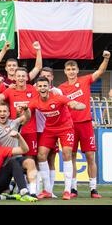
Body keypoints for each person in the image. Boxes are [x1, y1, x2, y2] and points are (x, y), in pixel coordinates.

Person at [58, 51, 110, 199]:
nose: (71, 71)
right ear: (65, 71)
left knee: (90, 156)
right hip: (69, 126)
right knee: (72, 156)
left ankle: (93, 189)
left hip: (86, 124)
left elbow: (100, 71)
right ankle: (73, 188)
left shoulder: (85, 80)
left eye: (73, 69)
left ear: (77, 70)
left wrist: (106, 58)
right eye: (68, 69)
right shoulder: (61, 88)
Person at [28, 77, 86, 200]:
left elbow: (72, 103)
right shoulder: (34, 101)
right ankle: (47, 190)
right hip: (49, 130)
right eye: (40, 86)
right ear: (37, 88)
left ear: (49, 87)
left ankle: (67, 190)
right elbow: (26, 113)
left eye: (45, 86)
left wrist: (78, 105)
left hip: (66, 128)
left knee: (66, 153)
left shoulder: (58, 97)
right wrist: (20, 113)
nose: (43, 88)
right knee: (41, 155)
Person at [0, 102, 38, 197]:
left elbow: (27, 117)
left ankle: (33, 192)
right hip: (2, 164)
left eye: (5, 111)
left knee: (30, 162)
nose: (2, 113)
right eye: (0, 111)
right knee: (4, 192)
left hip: (17, 159)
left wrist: (26, 109)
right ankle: (11, 186)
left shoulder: (14, 123)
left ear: (9, 113)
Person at [0, 68, 39, 158]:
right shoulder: (10, 90)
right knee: (14, 158)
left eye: (23, 76)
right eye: (18, 76)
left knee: (30, 158)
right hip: (13, 130)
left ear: (27, 78)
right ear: (14, 77)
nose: (21, 78)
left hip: (30, 130)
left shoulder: (33, 90)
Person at [37, 67, 62, 197]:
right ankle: (38, 188)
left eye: (48, 76)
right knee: (38, 159)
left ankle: (50, 190)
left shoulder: (57, 92)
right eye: (43, 75)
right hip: (37, 130)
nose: (45, 77)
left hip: (52, 130)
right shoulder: (36, 90)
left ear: (52, 77)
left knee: (51, 159)